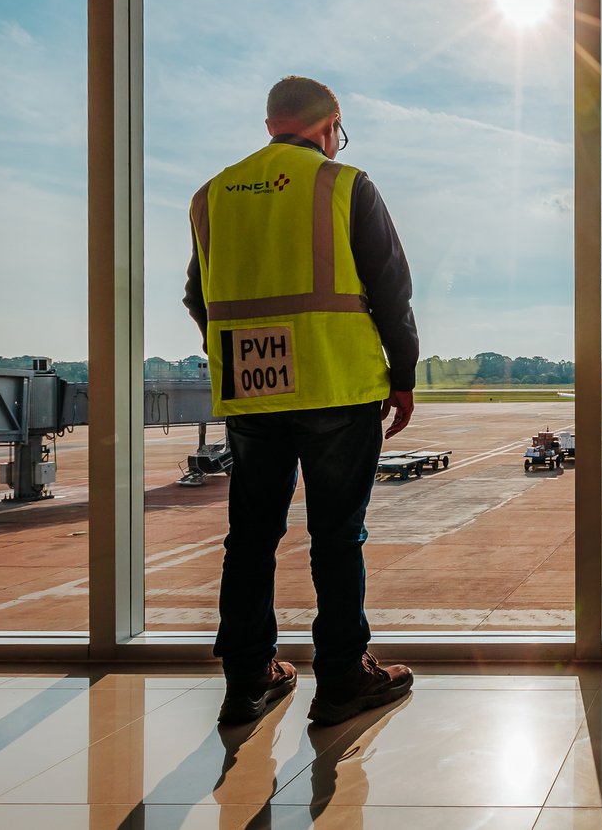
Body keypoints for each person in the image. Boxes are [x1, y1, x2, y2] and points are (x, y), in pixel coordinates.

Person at [184, 75, 420, 727]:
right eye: (338, 134)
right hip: (336, 387)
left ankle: (247, 679)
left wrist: (237, 350)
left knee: (251, 538)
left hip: (252, 396)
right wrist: (402, 375)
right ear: (328, 126)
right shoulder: (345, 185)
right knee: (337, 538)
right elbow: (391, 290)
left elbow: (196, 296)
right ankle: (344, 675)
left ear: (270, 127)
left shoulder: (211, 196)